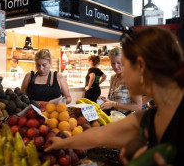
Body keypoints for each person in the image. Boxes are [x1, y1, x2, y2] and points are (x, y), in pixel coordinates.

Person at [45, 27, 184, 166]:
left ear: (141, 65)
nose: (121, 71)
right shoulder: (149, 118)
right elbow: (98, 135)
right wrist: (63, 143)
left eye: (125, 64)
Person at [99, 47, 142, 115]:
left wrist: (114, 104)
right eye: (113, 63)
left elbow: (138, 106)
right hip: (113, 117)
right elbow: (115, 100)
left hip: (127, 120)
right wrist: (107, 101)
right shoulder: (113, 77)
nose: (116, 66)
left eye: (119, 63)